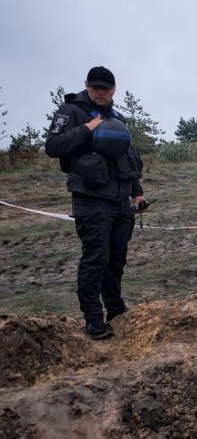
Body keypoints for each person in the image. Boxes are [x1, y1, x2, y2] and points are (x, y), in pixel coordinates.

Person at [45, 66, 147, 339]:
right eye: (95, 88)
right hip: (91, 200)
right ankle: (93, 318)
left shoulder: (118, 117)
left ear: (114, 90)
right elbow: (52, 146)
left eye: (106, 88)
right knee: (95, 259)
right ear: (87, 86)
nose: (100, 93)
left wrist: (137, 192)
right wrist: (87, 129)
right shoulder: (72, 112)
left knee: (116, 259)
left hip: (119, 200)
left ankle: (115, 309)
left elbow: (126, 159)